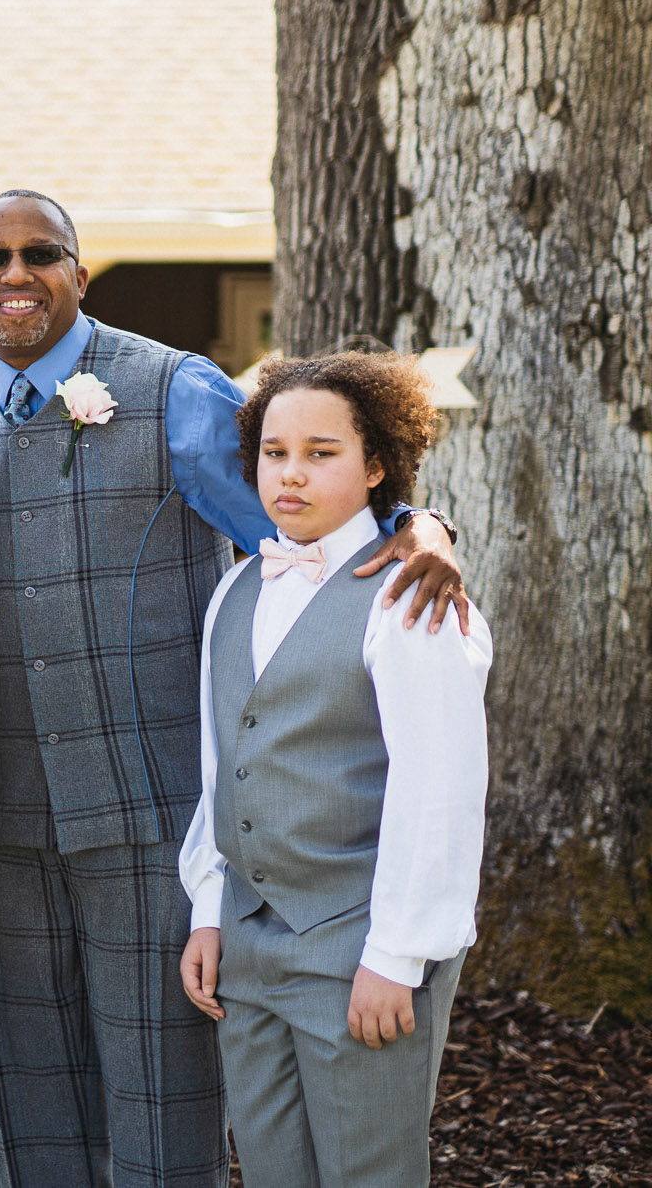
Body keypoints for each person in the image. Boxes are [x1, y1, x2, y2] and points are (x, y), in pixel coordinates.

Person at [0, 190, 468, 1188]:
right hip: (2, 822)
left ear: (79, 274)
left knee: (162, 1114)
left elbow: (300, 526)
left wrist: (418, 526)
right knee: (27, 1118)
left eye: (40, 253)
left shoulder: (171, 389)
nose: (14, 274)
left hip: (151, 816)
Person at [179, 353, 490, 1188]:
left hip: (360, 946)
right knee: (273, 1170)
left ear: (376, 463)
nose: (291, 473)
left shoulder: (411, 597)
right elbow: (222, 768)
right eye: (274, 452)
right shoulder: (235, 590)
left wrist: (397, 954)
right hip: (248, 950)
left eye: (322, 453)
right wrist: (209, 909)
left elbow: (440, 790)